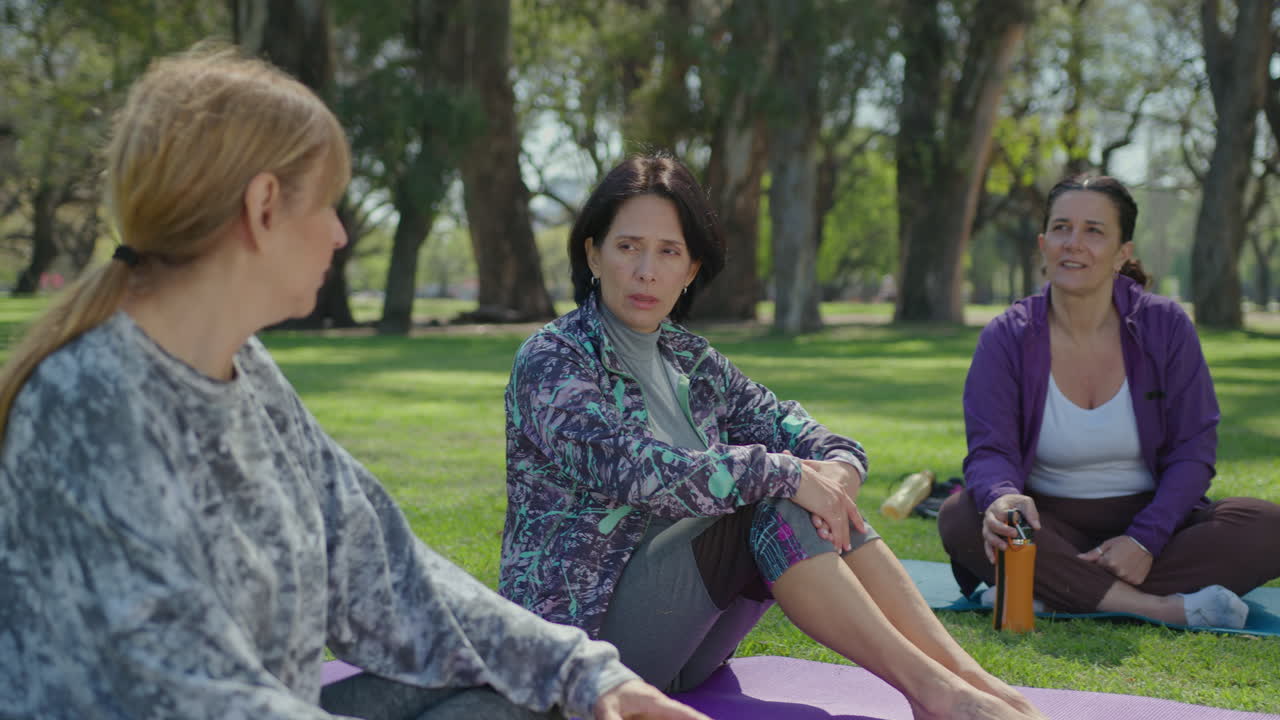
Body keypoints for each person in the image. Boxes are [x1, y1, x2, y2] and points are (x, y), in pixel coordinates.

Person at [0, 47, 709, 720]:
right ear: (264, 205)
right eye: (328, 204)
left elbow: (389, 575)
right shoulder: (91, 406)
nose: (340, 235)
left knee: (533, 693)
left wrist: (585, 673)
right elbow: (186, 697)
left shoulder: (245, 370)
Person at [500, 153, 1048, 720]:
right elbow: (637, 469)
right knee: (776, 497)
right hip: (584, 648)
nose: (646, 271)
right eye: (627, 246)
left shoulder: (689, 359)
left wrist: (839, 470)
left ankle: (968, 677)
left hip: (687, 650)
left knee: (806, 491)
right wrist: (789, 474)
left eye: (669, 252)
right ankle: (935, 694)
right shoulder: (553, 360)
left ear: (690, 270)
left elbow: (792, 426)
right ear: (593, 253)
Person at [938, 175, 1280, 629]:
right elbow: (990, 449)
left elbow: (1194, 451)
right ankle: (1155, 607)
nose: (1073, 243)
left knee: (1267, 525)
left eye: (1094, 231)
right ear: (1043, 243)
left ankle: (1050, 592)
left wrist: (1144, 540)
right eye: (1061, 228)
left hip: (1153, 523)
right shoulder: (1007, 336)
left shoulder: (1165, 326)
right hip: (1046, 524)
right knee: (962, 516)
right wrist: (1003, 498)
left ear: (1123, 253)